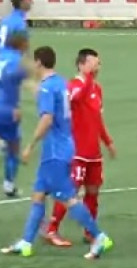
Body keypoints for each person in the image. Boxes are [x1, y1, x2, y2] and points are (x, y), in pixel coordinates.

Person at [1, 46, 112, 260]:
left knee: (68, 199)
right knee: (38, 195)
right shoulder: (60, 82)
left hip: (55, 151)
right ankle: (26, 242)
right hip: (62, 146)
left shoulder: (48, 88)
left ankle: (99, 236)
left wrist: (30, 146)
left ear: (39, 63)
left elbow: (47, 119)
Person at [45, 49, 116, 247]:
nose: (97, 67)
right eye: (93, 63)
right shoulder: (74, 86)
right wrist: (88, 80)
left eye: (98, 63)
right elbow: (75, 100)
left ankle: (90, 231)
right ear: (81, 65)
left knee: (93, 191)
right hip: (77, 151)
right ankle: (51, 230)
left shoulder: (97, 89)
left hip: (93, 152)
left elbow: (97, 118)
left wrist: (108, 141)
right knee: (70, 192)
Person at [0, 31, 30, 197]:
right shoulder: (18, 62)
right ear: (20, 45)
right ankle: (9, 185)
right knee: (14, 147)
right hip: (6, 109)